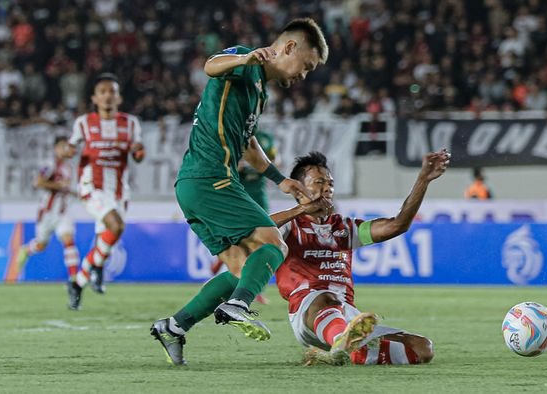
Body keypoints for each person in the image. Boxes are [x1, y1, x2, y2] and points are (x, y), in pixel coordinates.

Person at [150, 18, 329, 366]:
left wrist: (281, 180)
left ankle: (174, 326)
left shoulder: (259, 91)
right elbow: (210, 65)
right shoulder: (247, 62)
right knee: (274, 242)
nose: (303, 76)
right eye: (305, 66)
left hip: (196, 184)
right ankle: (238, 305)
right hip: (210, 178)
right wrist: (244, 60)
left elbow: (247, 143)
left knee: (241, 268)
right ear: (289, 48)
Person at [272, 150, 449, 365]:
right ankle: (341, 341)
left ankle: (345, 350)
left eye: (330, 183)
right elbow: (252, 231)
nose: (328, 188)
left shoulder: (345, 228)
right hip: (308, 311)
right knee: (326, 298)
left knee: (422, 349)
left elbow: (397, 225)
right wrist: (300, 210)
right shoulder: (289, 227)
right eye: (319, 182)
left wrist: (423, 179)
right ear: (298, 189)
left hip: (347, 315)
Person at [67, 73, 145, 310]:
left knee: (107, 238)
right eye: (103, 92)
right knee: (116, 226)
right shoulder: (83, 123)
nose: (108, 96)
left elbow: (138, 155)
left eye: (112, 91)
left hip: (120, 191)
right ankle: (95, 269)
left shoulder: (131, 123)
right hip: (93, 186)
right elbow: (70, 146)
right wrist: (65, 149)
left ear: (119, 97)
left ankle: (78, 282)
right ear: (95, 98)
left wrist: (139, 152)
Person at [209, 130, 278, 305]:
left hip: (259, 198)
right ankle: (236, 279)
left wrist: (262, 164)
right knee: (241, 242)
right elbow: (217, 165)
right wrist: (233, 167)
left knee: (260, 244)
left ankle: (255, 289)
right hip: (238, 197)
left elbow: (276, 160)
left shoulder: (265, 138)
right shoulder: (231, 137)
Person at [14, 136, 80, 290]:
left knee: (69, 240)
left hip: (63, 211)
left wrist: (74, 193)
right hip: (47, 212)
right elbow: (38, 182)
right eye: (63, 146)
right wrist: (58, 186)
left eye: (67, 146)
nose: (66, 150)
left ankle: (74, 279)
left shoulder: (69, 166)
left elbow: (65, 188)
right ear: (56, 148)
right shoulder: (49, 164)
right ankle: (26, 249)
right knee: (41, 244)